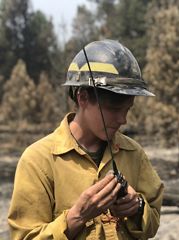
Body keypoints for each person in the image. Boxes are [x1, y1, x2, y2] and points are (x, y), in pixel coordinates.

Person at [8, 39, 164, 239]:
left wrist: (137, 206)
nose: (123, 120)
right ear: (83, 97)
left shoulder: (133, 154)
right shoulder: (39, 160)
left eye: (127, 110)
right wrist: (77, 216)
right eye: (114, 109)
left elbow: (153, 223)